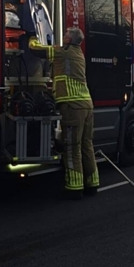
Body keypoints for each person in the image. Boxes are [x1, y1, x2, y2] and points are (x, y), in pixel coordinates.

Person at [29, 26, 99, 199]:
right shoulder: (78, 54)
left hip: (72, 106)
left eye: (66, 34)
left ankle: (74, 188)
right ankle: (92, 184)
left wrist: (31, 36)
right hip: (86, 105)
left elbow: (37, 50)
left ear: (69, 40)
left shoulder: (63, 52)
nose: (64, 35)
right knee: (86, 146)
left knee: (72, 147)